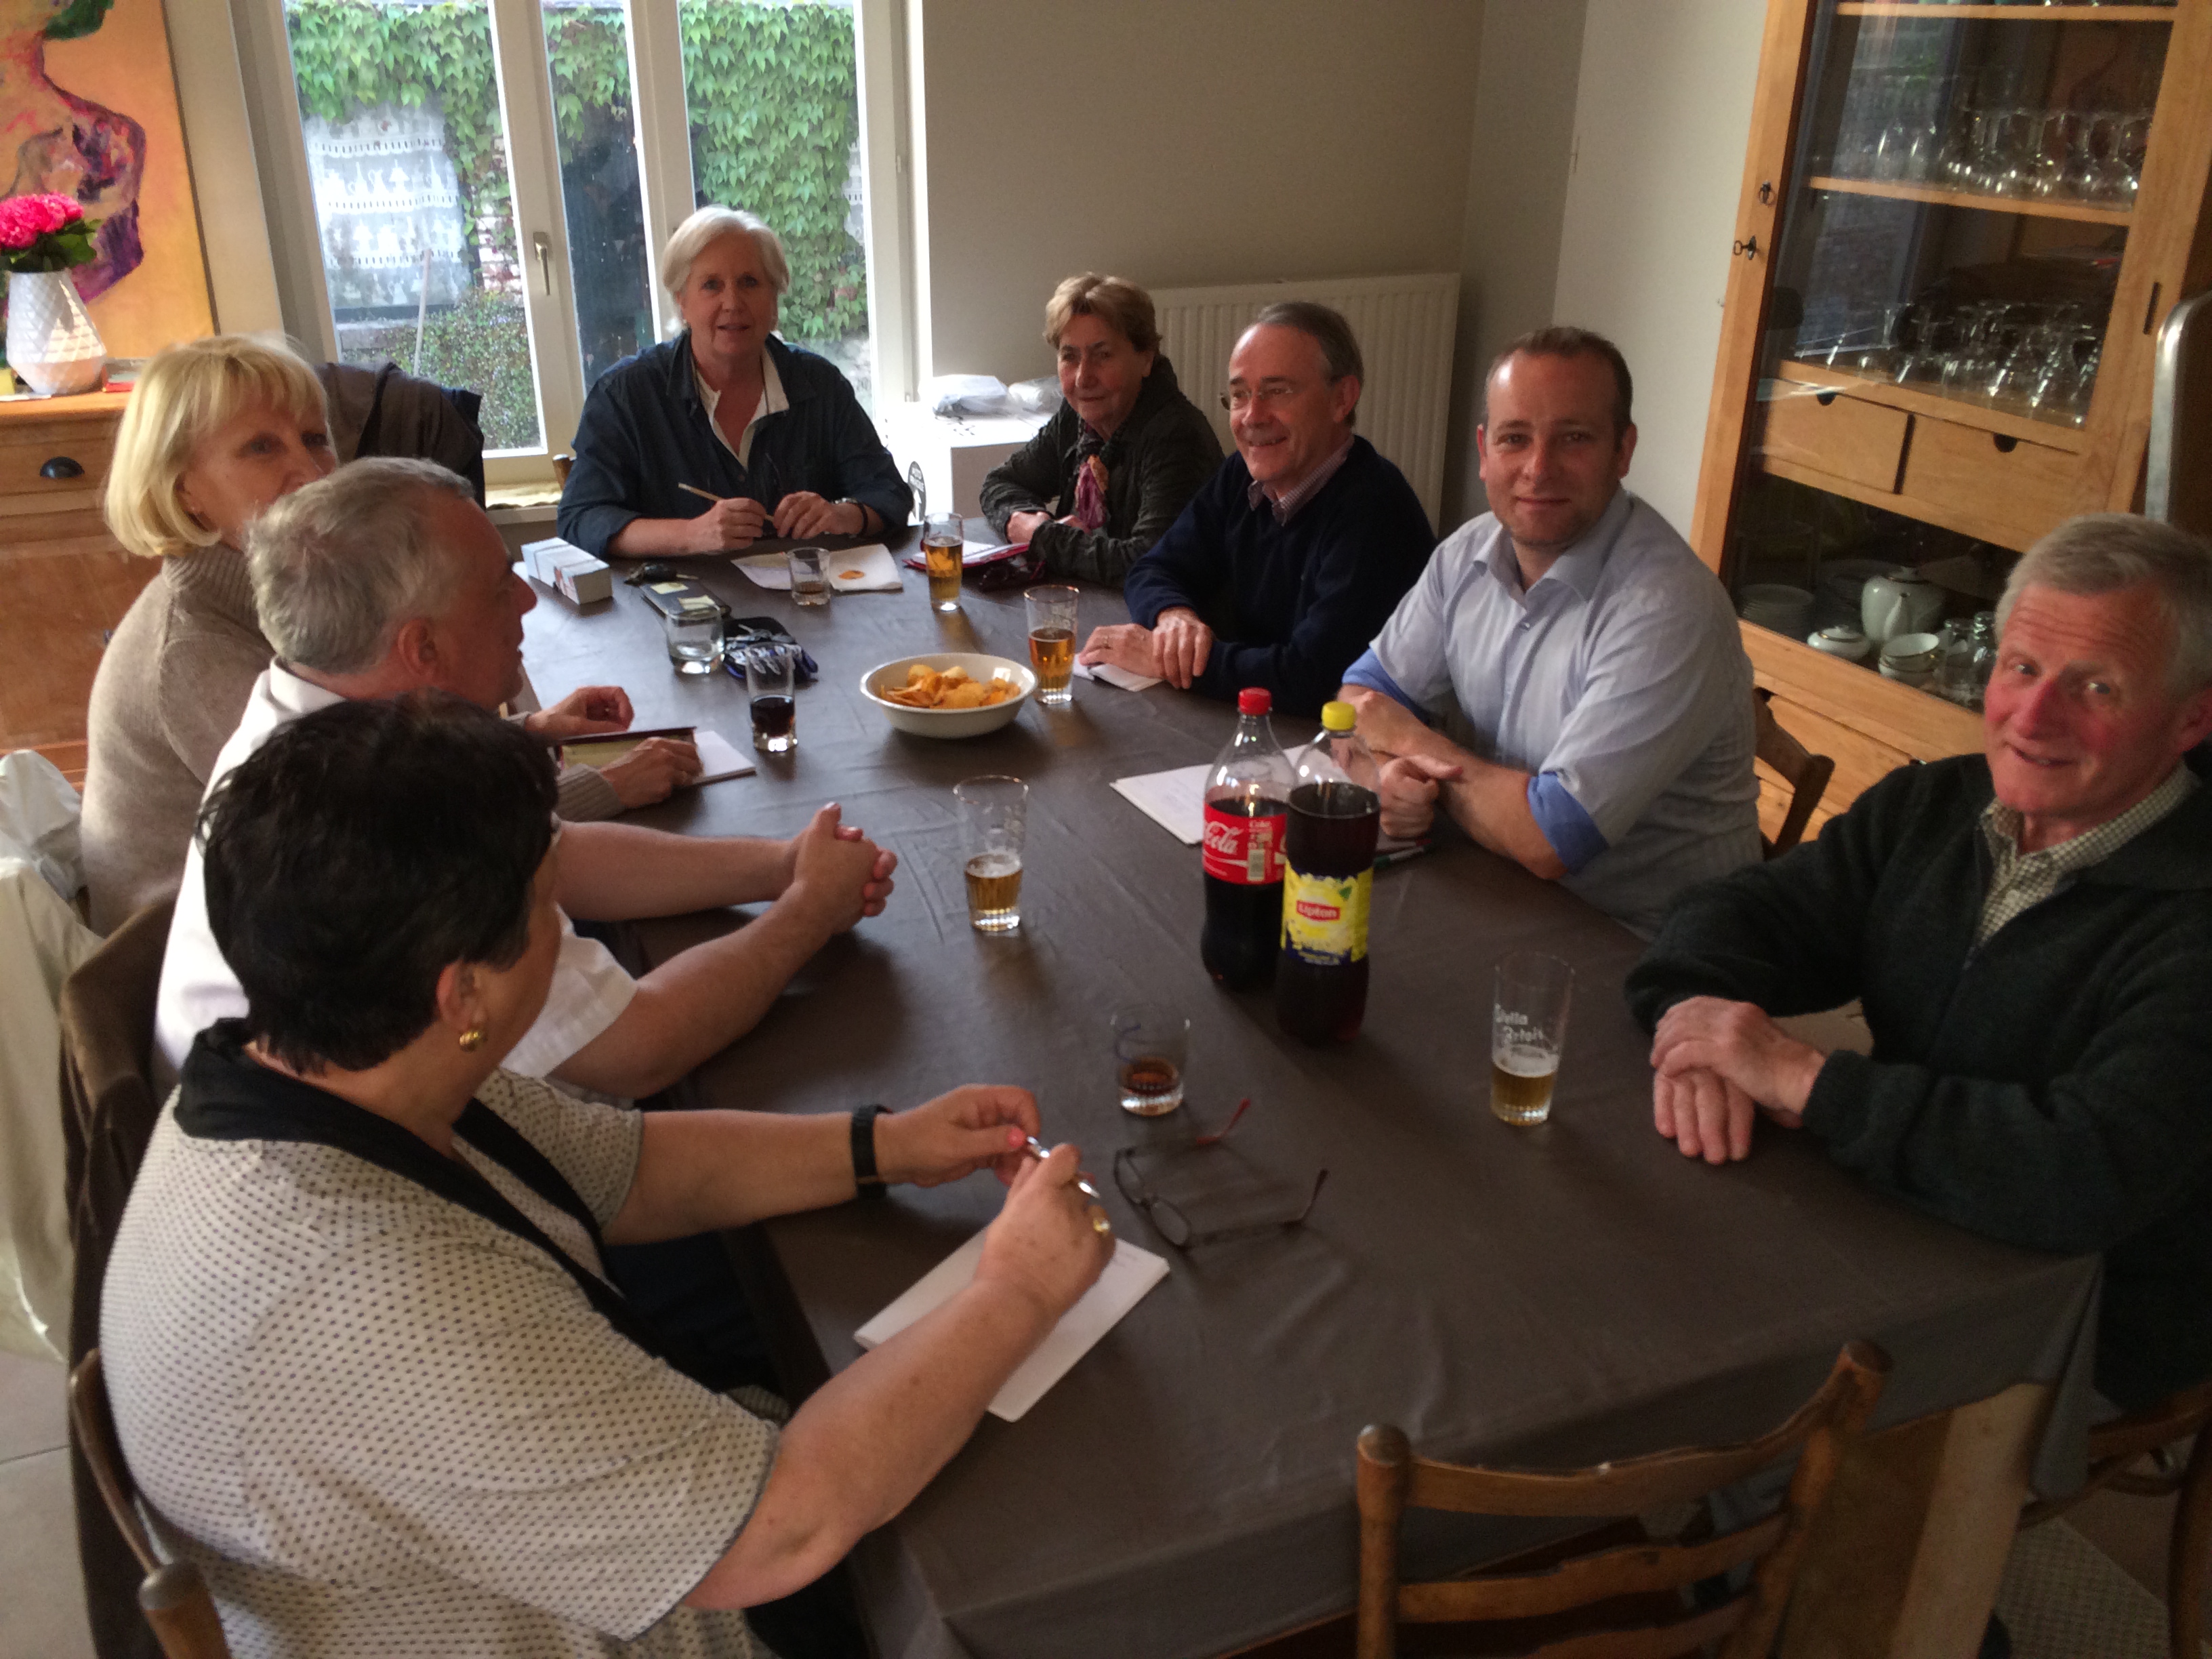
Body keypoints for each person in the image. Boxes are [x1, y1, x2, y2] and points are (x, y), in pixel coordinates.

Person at [104, 691, 1111, 1658]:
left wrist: (887, 1144)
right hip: (602, 1626)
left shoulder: (333, 1063)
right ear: (463, 993)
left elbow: (628, 1168)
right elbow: (782, 1529)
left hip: (542, 1546)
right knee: (1056, 1529)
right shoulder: (372, 1299)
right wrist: (1018, 1289)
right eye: (548, 906)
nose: (566, 930)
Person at [1625, 513, 2212, 1411]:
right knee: (1624, 1294)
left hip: (2076, 1327)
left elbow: (2084, 1173)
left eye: (2096, 687)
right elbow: (1744, 912)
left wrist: (1807, 1082)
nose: (2033, 717)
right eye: (2022, 668)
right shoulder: (1937, 807)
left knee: (1721, 1418)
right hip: (1896, 1221)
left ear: (2191, 718)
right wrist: (1696, 1019)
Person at [155, 459, 899, 1100]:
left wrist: (782, 864)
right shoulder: (375, 811)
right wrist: (807, 912)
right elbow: (638, 1046)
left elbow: (556, 854)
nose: (525, 600)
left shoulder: (325, 723)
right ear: (420, 648)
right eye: (496, 586)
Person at [1338, 327, 1758, 937]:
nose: (1539, 468)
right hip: (1500, 891)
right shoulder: (1465, 553)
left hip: (1646, 942)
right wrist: (1389, 775)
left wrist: (1412, 746)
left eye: (1574, 438)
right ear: (1484, 451)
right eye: (1515, 438)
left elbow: (1551, 838)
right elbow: (1359, 701)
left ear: (1623, 450)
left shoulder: (1669, 608)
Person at [79, 336, 337, 933]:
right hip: (202, 955)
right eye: (261, 447)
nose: (310, 471)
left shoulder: (282, 595)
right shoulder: (192, 649)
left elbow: (372, 747)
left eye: (315, 438)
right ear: (184, 491)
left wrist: (520, 737)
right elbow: (356, 830)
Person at [1084, 302, 1433, 716]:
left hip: (1346, 741)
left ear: (1342, 398)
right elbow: (1154, 567)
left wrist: (1169, 660)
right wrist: (1173, 617)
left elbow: (1314, 679)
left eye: (1277, 391)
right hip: (1259, 723)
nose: (1253, 416)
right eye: (1239, 395)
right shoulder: (1244, 476)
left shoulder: (1376, 511)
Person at [558, 205, 911, 558]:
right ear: (682, 302)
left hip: (805, 590)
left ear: (773, 301)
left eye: (750, 283)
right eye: (711, 285)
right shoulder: (625, 394)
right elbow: (581, 520)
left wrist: (842, 515)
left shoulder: (819, 384)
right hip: (679, 593)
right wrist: (691, 534)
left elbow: (890, 493)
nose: (732, 302)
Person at [977, 272, 1221, 584]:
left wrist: (1043, 537)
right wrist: (1020, 519)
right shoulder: (1078, 417)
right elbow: (1002, 482)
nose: (1083, 378)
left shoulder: (1177, 437)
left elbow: (1146, 562)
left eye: (1103, 355)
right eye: (1070, 356)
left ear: (1146, 359)